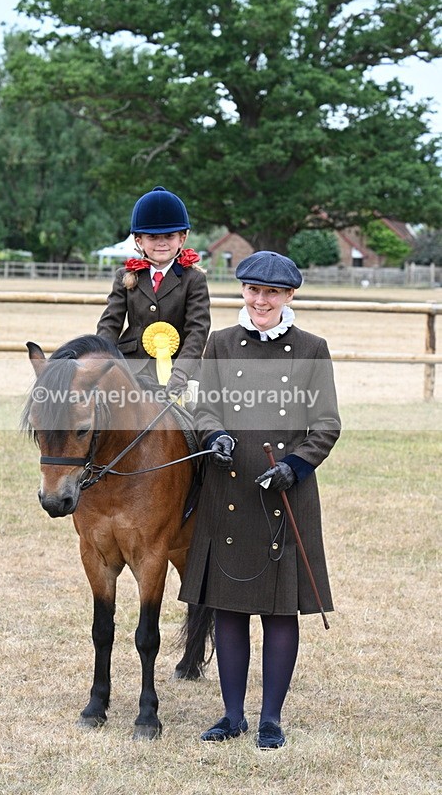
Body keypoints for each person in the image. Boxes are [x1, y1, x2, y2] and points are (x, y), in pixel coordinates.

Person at [178, 250, 341, 749]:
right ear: (243, 292)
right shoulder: (222, 344)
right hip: (228, 490)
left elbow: (327, 424)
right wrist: (215, 435)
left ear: (289, 296)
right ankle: (231, 716)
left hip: (284, 493)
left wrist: (293, 467)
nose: (261, 300)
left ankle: (270, 719)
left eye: (272, 292)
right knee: (228, 609)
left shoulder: (313, 348)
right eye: (253, 290)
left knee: (278, 612)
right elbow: (203, 407)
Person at [96, 186, 210, 395]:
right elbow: (110, 323)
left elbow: (197, 331)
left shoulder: (194, 279)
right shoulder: (126, 275)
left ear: (182, 239)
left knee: (199, 416)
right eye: (152, 237)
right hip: (132, 367)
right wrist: (101, 360)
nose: (161, 243)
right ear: (139, 240)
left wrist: (182, 372)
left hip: (178, 369)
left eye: (169, 236)